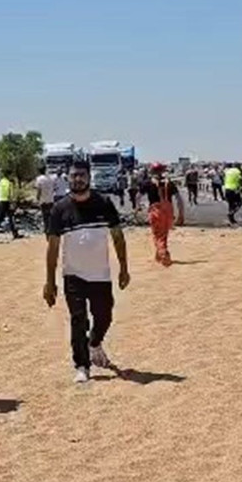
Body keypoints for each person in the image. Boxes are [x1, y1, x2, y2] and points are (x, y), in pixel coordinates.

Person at [44, 161, 130, 384]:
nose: (77, 179)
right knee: (78, 320)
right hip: (73, 275)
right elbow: (52, 247)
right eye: (73, 176)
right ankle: (82, 365)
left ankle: (95, 343)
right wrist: (49, 282)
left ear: (89, 177)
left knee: (104, 316)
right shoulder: (60, 209)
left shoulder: (103, 203)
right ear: (68, 178)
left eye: (81, 175)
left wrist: (124, 268)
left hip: (100, 274)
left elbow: (118, 236)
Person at [140, 162, 185, 266]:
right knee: (163, 234)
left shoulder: (147, 183)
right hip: (168, 211)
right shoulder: (169, 183)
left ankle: (164, 254)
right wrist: (181, 213)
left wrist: (137, 208)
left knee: (157, 234)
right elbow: (179, 199)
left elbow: (138, 196)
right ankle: (158, 256)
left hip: (155, 211)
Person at [0, 172, 20, 240]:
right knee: (10, 218)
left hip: (0, 201)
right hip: (7, 201)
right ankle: (15, 233)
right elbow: (11, 194)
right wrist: (13, 202)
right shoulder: (9, 183)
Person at [35, 166, 55, 234]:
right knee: (50, 215)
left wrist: (37, 197)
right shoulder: (51, 178)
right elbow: (54, 188)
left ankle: (46, 229)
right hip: (50, 199)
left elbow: (39, 190)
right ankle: (51, 228)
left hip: (43, 200)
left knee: (45, 216)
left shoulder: (39, 179)